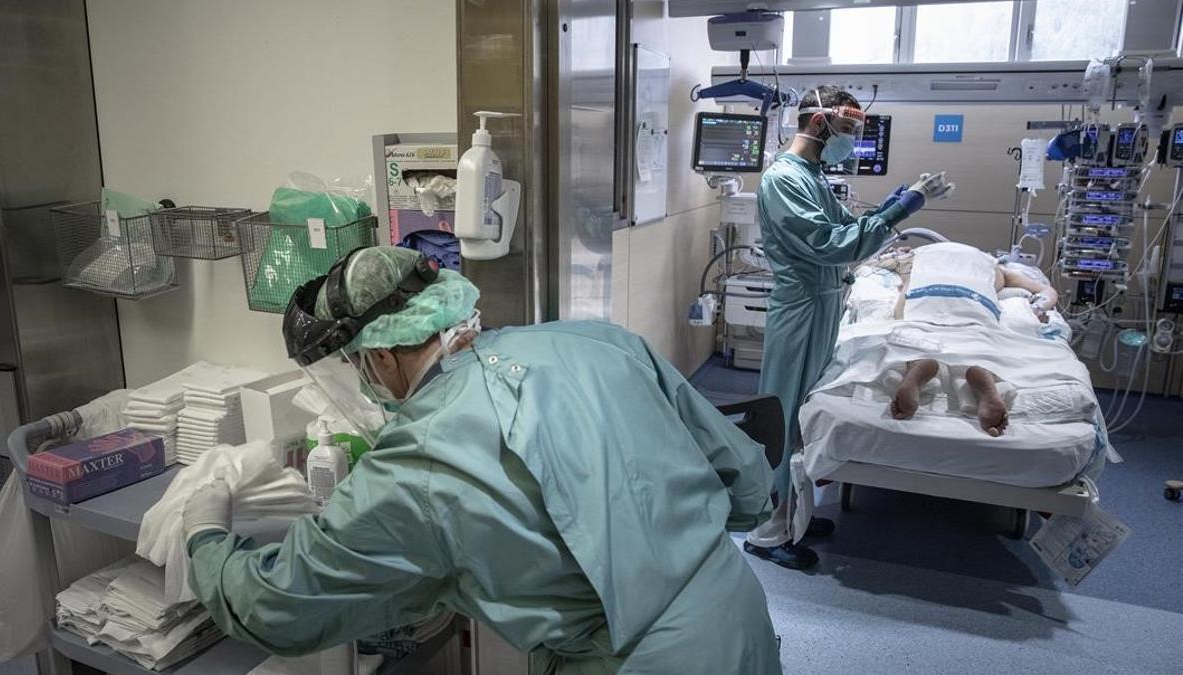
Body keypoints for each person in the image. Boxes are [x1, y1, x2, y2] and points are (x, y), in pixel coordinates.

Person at [182, 246, 782, 675]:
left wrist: (206, 532)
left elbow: (277, 608)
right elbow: (748, 484)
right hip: (740, 616)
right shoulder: (598, 341)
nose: (361, 382)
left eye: (354, 365)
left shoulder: (417, 462)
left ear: (384, 355)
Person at [751, 84, 954, 570]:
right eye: (847, 131)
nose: (852, 142)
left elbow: (850, 227)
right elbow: (832, 244)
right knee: (782, 418)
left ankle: (794, 512)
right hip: (800, 308)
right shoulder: (783, 180)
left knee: (806, 413)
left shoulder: (814, 175)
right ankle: (765, 528)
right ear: (819, 124)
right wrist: (903, 210)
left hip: (824, 303)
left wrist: (894, 204)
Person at [874, 242, 1060, 437]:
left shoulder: (914, 257)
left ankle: (918, 364)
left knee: (913, 330)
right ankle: (983, 371)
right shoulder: (992, 265)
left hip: (922, 293)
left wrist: (895, 255)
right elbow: (1047, 291)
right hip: (975, 296)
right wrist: (1038, 309)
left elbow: (865, 267)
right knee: (980, 333)